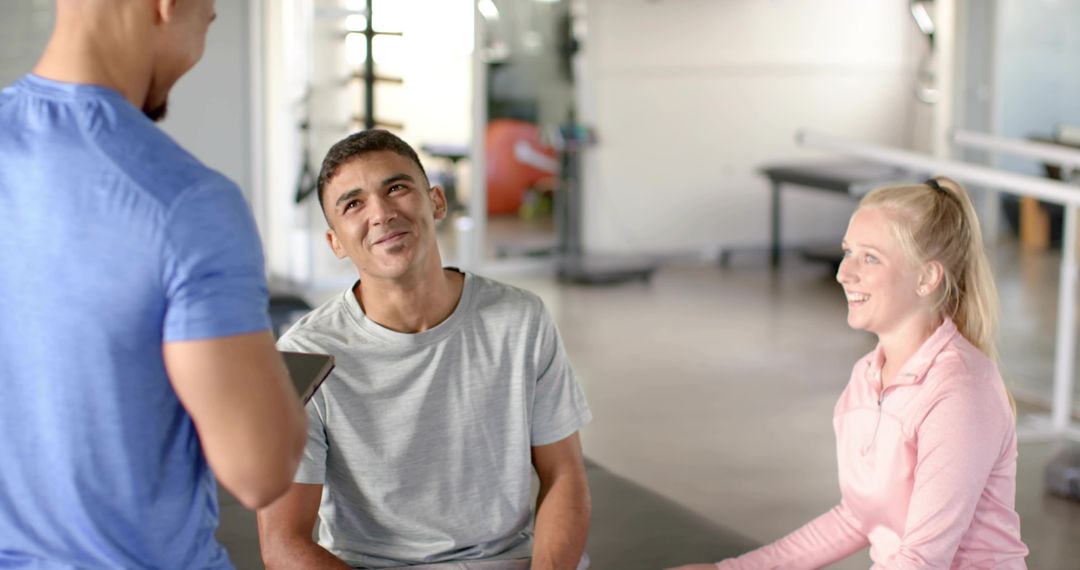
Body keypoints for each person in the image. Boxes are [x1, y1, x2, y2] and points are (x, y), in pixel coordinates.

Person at [0, 1, 307, 568]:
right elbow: (258, 470)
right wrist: (275, 395)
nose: (197, 53)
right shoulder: (187, 201)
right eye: (207, 23)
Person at [257, 129, 593, 570]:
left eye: (396, 188)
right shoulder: (303, 353)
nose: (380, 213)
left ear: (436, 202)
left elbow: (564, 474)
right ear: (335, 241)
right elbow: (282, 541)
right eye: (353, 204)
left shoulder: (520, 318)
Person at [671, 177, 1028, 569]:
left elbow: (922, 560)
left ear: (927, 278)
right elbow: (858, 515)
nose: (844, 273)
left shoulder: (961, 393)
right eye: (848, 252)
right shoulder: (867, 377)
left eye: (870, 257)